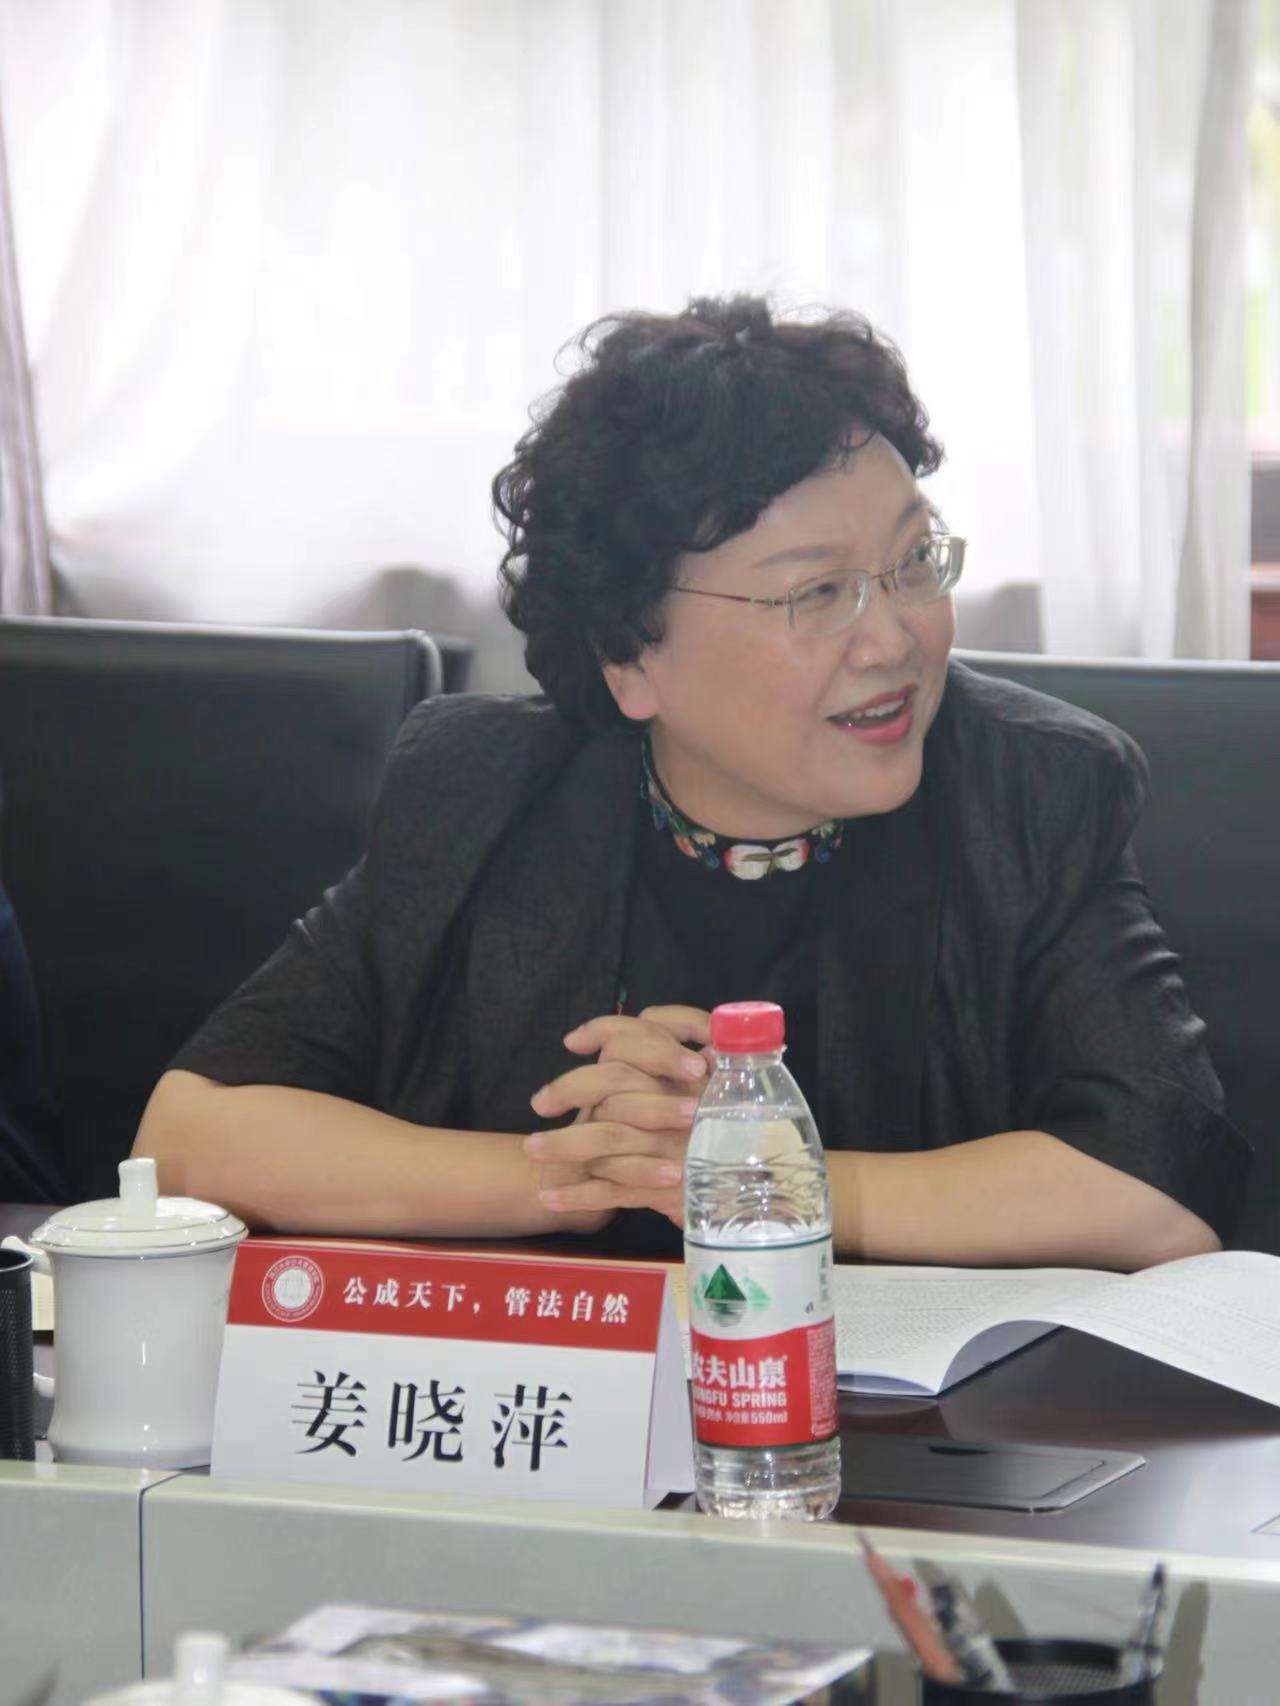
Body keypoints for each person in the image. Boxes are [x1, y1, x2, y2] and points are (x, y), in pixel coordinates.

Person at [136, 295, 1247, 1268]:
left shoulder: (1035, 790)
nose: (895, 639)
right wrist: (576, 1172)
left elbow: (1157, 1188)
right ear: (630, 657)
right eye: (816, 593)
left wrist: (746, 1176)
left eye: (913, 561)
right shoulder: (477, 788)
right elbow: (188, 1136)